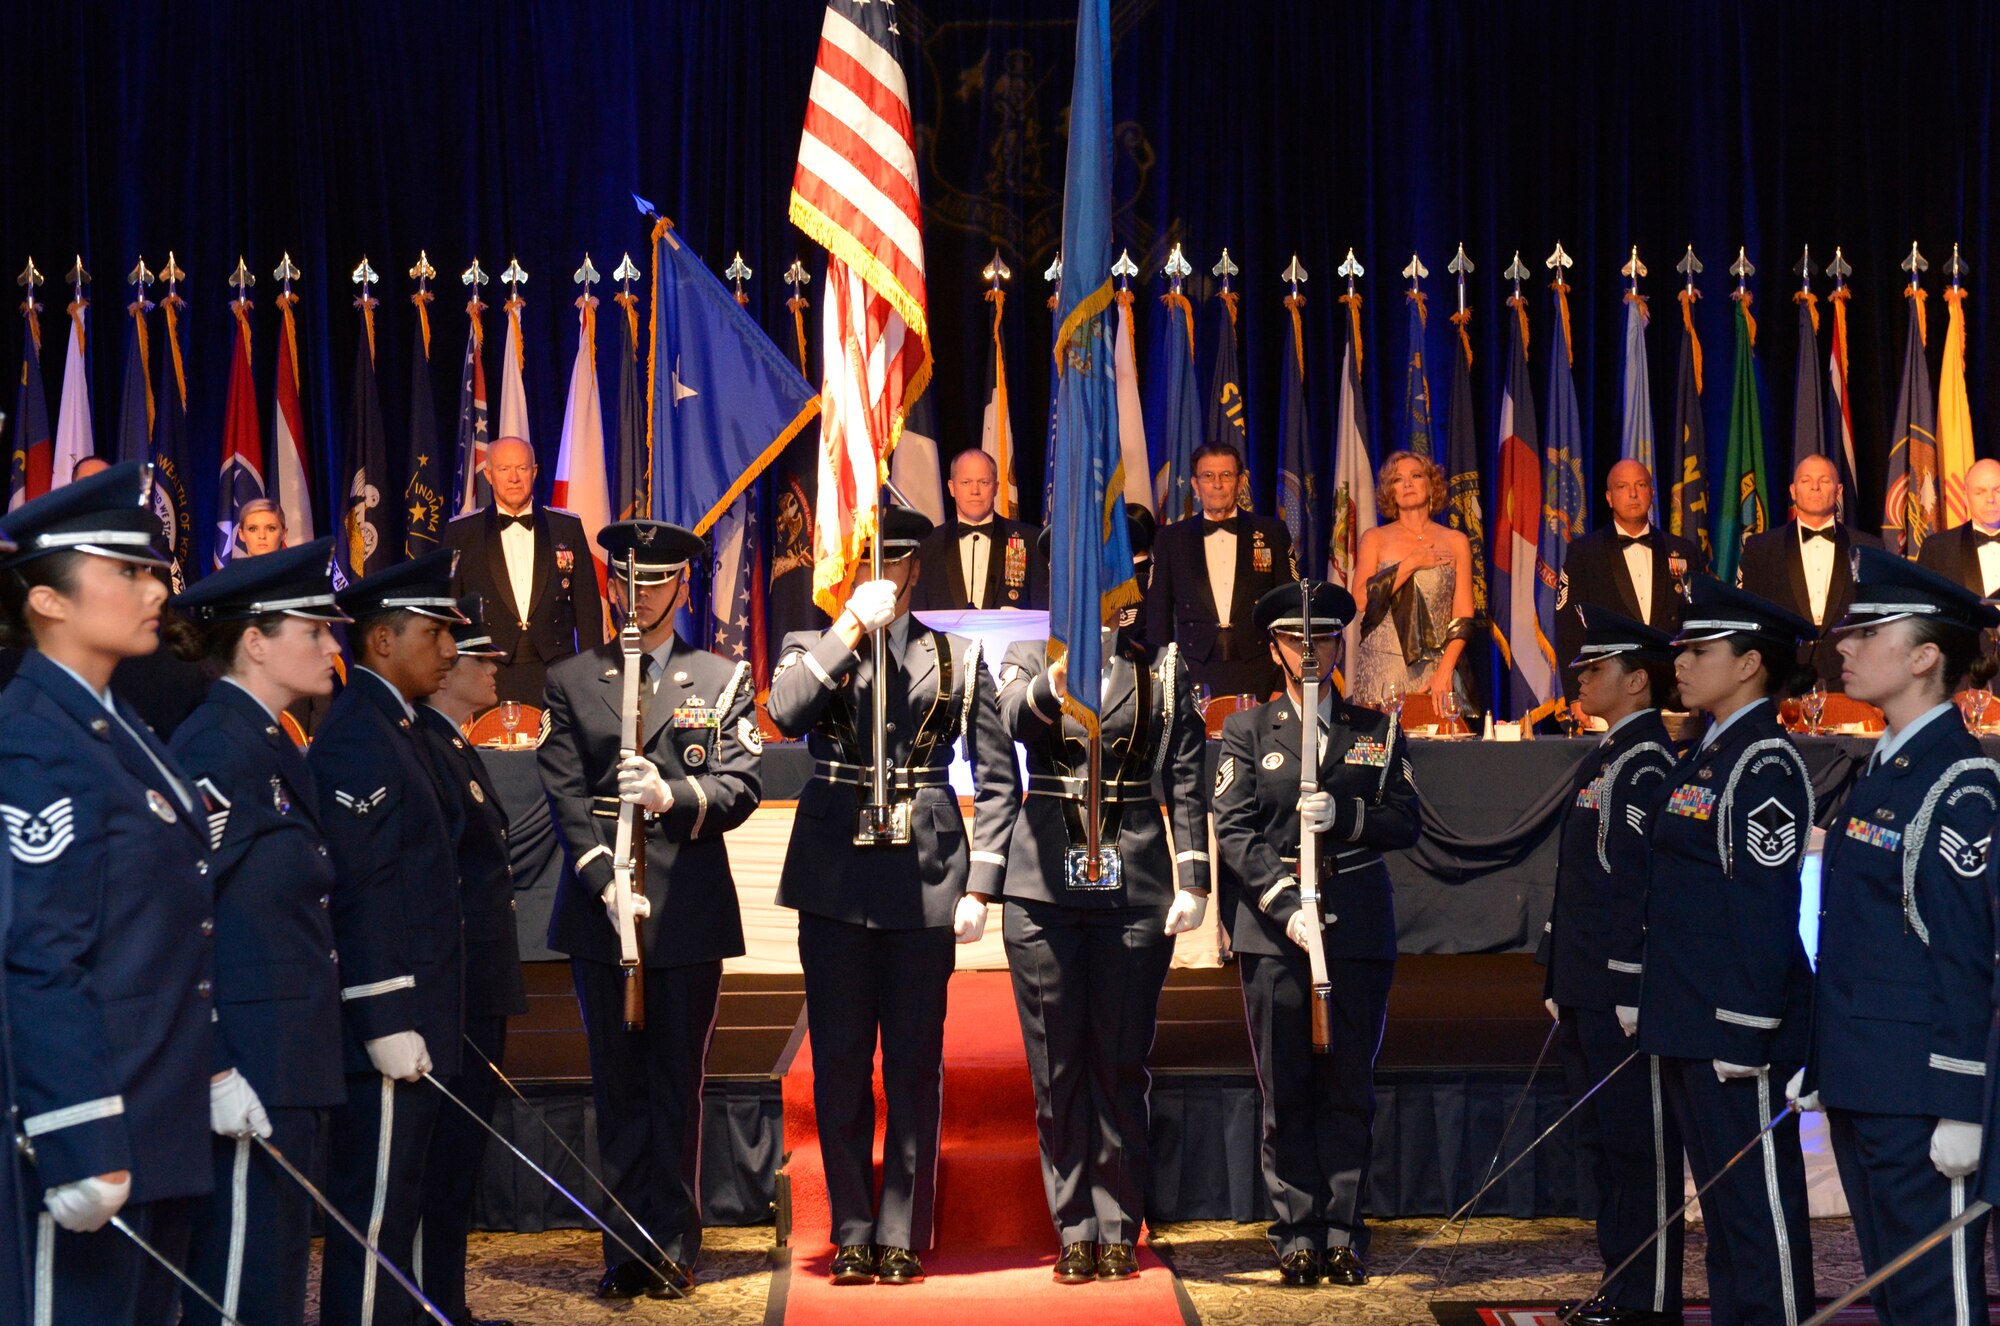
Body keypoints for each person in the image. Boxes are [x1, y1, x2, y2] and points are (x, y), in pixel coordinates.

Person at [0, 463, 238, 1324]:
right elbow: (37, 954)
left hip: (156, 1110)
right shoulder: (33, 739)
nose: (155, 588)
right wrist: (78, 1131)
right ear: (49, 601)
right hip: (93, 1123)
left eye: (154, 570)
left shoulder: (117, 725)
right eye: (127, 572)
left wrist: (208, 1071)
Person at [767, 506, 1021, 1286]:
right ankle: (851, 1229)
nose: (884, 572)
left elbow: (998, 778)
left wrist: (983, 882)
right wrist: (847, 629)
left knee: (913, 1063)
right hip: (836, 876)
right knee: (841, 1060)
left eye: (897, 561)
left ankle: (903, 1227)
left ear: (914, 570)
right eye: (868, 561)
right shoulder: (810, 646)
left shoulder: (959, 656)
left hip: (925, 874)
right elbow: (785, 714)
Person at [540, 520, 762, 1299]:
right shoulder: (573, 678)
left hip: (686, 908)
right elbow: (565, 791)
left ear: (681, 587)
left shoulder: (720, 676)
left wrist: (676, 796)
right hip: (603, 910)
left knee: (676, 1082)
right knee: (617, 1085)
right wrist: (604, 881)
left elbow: (740, 785)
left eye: (655, 583)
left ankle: (673, 1243)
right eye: (626, 583)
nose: (638, 597)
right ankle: (623, 1248)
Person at [992, 506, 1209, 1283]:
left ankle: (1119, 1220)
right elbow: (1017, 723)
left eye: (1113, 577)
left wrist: (1196, 878)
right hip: (1044, 890)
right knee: (1057, 1068)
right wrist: (1054, 683)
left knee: (1120, 1062)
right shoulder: (1024, 656)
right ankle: (1074, 1224)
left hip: (1135, 886)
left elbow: (1185, 776)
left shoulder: (1162, 672)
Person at [1795, 548, 1998, 1326]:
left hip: (1918, 1086)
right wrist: (1826, 1059)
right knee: (1893, 1288)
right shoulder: (1883, 768)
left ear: (1923, 656)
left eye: (1867, 631)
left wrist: (1960, 1102)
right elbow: (1856, 937)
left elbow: (1962, 955)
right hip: (1867, 1077)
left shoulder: (1958, 781)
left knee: (1934, 1296)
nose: (1842, 646)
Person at [1212, 580, 1420, 1287]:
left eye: (1323, 639)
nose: (1310, 652)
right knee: (1288, 1086)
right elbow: (1234, 832)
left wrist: (1347, 818)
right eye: (1297, 640)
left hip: (1356, 925)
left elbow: (1406, 820)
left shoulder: (1376, 730)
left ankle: (1342, 1229)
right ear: (1274, 648)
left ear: (1338, 646)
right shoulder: (1246, 731)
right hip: (1277, 935)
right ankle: (1296, 1228)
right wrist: (1282, 902)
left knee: (1350, 1085)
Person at [164, 538, 349, 1326]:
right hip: (248, 1055)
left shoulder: (273, 741)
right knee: (241, 1283)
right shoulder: (216, 746)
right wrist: (212, 1066)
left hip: (289, 1054)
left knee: (273, 1276)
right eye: (314, 630)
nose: (332, 645)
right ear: (255, 642)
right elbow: (180, 915)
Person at [1639, 577, 1817, 1326]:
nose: (1680, 662)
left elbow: (1764, 908)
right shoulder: (1707, 752)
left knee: (1758, 1212)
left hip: (1731, 1024)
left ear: (1750, 665)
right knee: (1721, 1206)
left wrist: (1747, 1027)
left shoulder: (1762, 762)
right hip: (1687, 1014)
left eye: (1700, 650)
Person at [309, 549, 468, 1326]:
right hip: (390, 1022)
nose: (451, 650)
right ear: (381, 640)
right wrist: (382, 1015)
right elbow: (361, 889)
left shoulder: (398, 727)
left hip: (421, 1013)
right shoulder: (359, 736)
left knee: (398, 1208)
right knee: (372, 1219)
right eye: (435, 632)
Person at [1538, 606, 1685, 1326]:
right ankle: (1621, 1284)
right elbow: (1580, 880)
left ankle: (1648, 1297)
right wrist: (1557, 977)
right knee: (1604, 1146)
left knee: (1639, 1149)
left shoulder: (1648, 760)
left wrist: (1628, 981)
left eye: (1595, 669)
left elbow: (1639, 883)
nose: (1582, 679)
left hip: (1621, 989)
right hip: (1587, 985)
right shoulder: (1609, 755)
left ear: (1635, 680)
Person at [415, 594, 527, 1325]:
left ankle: (447, 1303)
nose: (493, 670)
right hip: (450, 988)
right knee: (440, 1162)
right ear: (449, 664)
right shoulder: (422, 743)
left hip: (477, 982)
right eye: (481, 655)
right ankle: (433, 1304)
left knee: (458, 1162)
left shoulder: (452, 743)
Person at [443, 437, 605, 704]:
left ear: (535, 472)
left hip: (557, 673)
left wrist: (592, 678)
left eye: (522, 468)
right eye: (504, 469)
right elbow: (451, 613)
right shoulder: (462, 533)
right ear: (489, 475)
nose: (514, 478)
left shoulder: (566, 528)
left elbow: (587, 611)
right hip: (489, 674)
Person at [1144, 443, 1295, 699]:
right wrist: (1162, 687)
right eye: (1208, 476)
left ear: (1240, 481)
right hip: (1194, 673)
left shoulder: (1271, 532)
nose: (1217, 484)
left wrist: (1284, 682)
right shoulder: (1171, 539)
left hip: (1261, 672)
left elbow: (1289, 610)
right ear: (1195, 484)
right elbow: (1158, 618)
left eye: (1226, 475)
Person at [1553, 459, 1703, 704]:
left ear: (1652, 493)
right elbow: (1569, 629)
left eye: (1641, 485)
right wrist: (1576, 696)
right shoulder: (1584, 553)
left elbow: (1697, 626)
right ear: (1609, 497)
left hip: (1675, 693)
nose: (1633, 494)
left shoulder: (1682, 550)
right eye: (1622, 487)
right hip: (1610, 693)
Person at [1737, 455, 1880, 689]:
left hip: (1850, 680)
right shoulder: (1760, 548)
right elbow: (1750, 619)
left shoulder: (1870, 548)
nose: (1815, 487)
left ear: (1839, 490)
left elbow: (1877, 621)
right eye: (1806, 481)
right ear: (1793, 491)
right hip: (1781, 681)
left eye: (1824, 480)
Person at [1352, 450, 1477, 710]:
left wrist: (1445, 670)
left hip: (1436, 672)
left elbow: (1463, 615)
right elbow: (1361, 600)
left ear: (1432, 486)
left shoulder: (1456, 541)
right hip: (1382, 671)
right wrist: (1412, 562)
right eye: (1397, 479)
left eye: (1416, 476)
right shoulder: (1374, 538)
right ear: (1390, 492)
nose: (1407, 483)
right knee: (1381, 748)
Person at [913, 447, 1044, 611]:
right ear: (952, 488)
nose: (975, 491)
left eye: (984, 482)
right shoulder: (928, 545)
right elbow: (917, 613)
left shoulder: (1029, 540)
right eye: (966, 483)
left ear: (996, 487)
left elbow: (1042, 612)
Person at [1917, 457, 2000, 595]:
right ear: (1966, 498)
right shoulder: (1937, 548)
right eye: (1980, 492)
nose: (1990, 499)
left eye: (1998, 491)